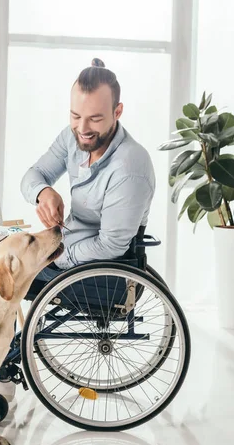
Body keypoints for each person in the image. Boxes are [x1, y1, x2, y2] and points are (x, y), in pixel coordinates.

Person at [20, 57, 155, 294]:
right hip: (67, 245)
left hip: (100, 272)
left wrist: (57, 256)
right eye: (75, 116)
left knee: (5, 268)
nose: (82, 129)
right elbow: (34, 174)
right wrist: (43, 192)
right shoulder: (72, 137)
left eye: (95, 118)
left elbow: (110, 245)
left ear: (118, 111)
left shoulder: (130, 166)